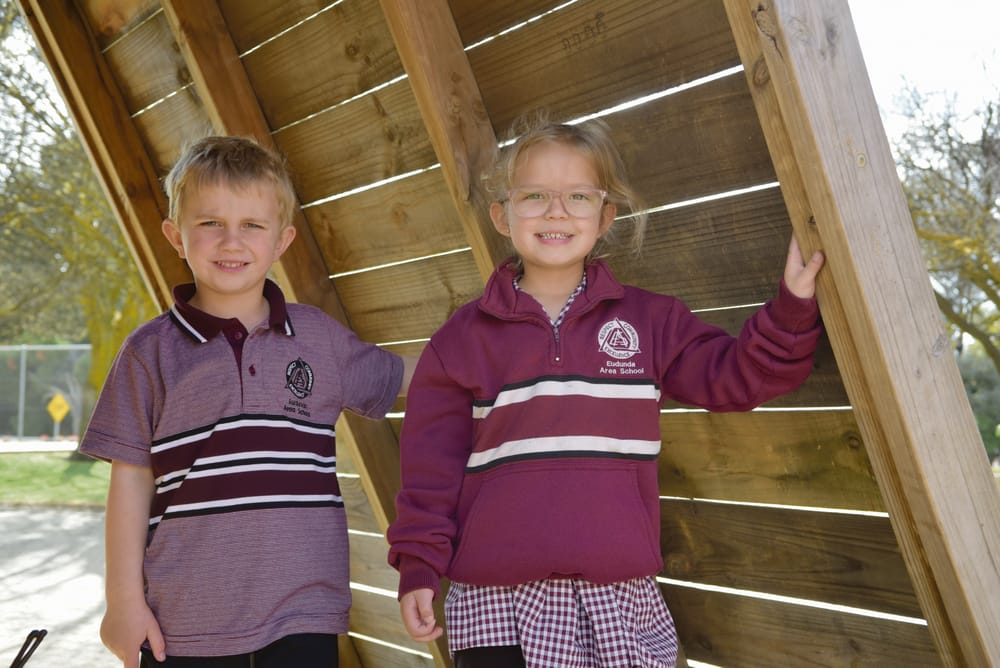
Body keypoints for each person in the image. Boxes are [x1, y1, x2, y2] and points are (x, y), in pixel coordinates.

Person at [386, 114, 825, 667]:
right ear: (502, 215)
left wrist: (792, 303)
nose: (556, 211)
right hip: (497, 611)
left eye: (577, 196)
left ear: (605, 215)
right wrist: (418, 568)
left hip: (621, 600)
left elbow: (739, 377)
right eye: (535, 195)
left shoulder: (651, 322)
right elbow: (429, 473)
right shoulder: (459, 341)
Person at [80, 136, 411, 668]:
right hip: (185, 619)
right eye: (210, 223)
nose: (231, 241)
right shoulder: (150, 351)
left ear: (282, 240)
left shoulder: (317, 338)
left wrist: (504, 360)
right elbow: (131, 480)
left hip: (305, 609)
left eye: (252, 226)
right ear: (175, 236)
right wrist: (122, 601)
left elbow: (409, 378)